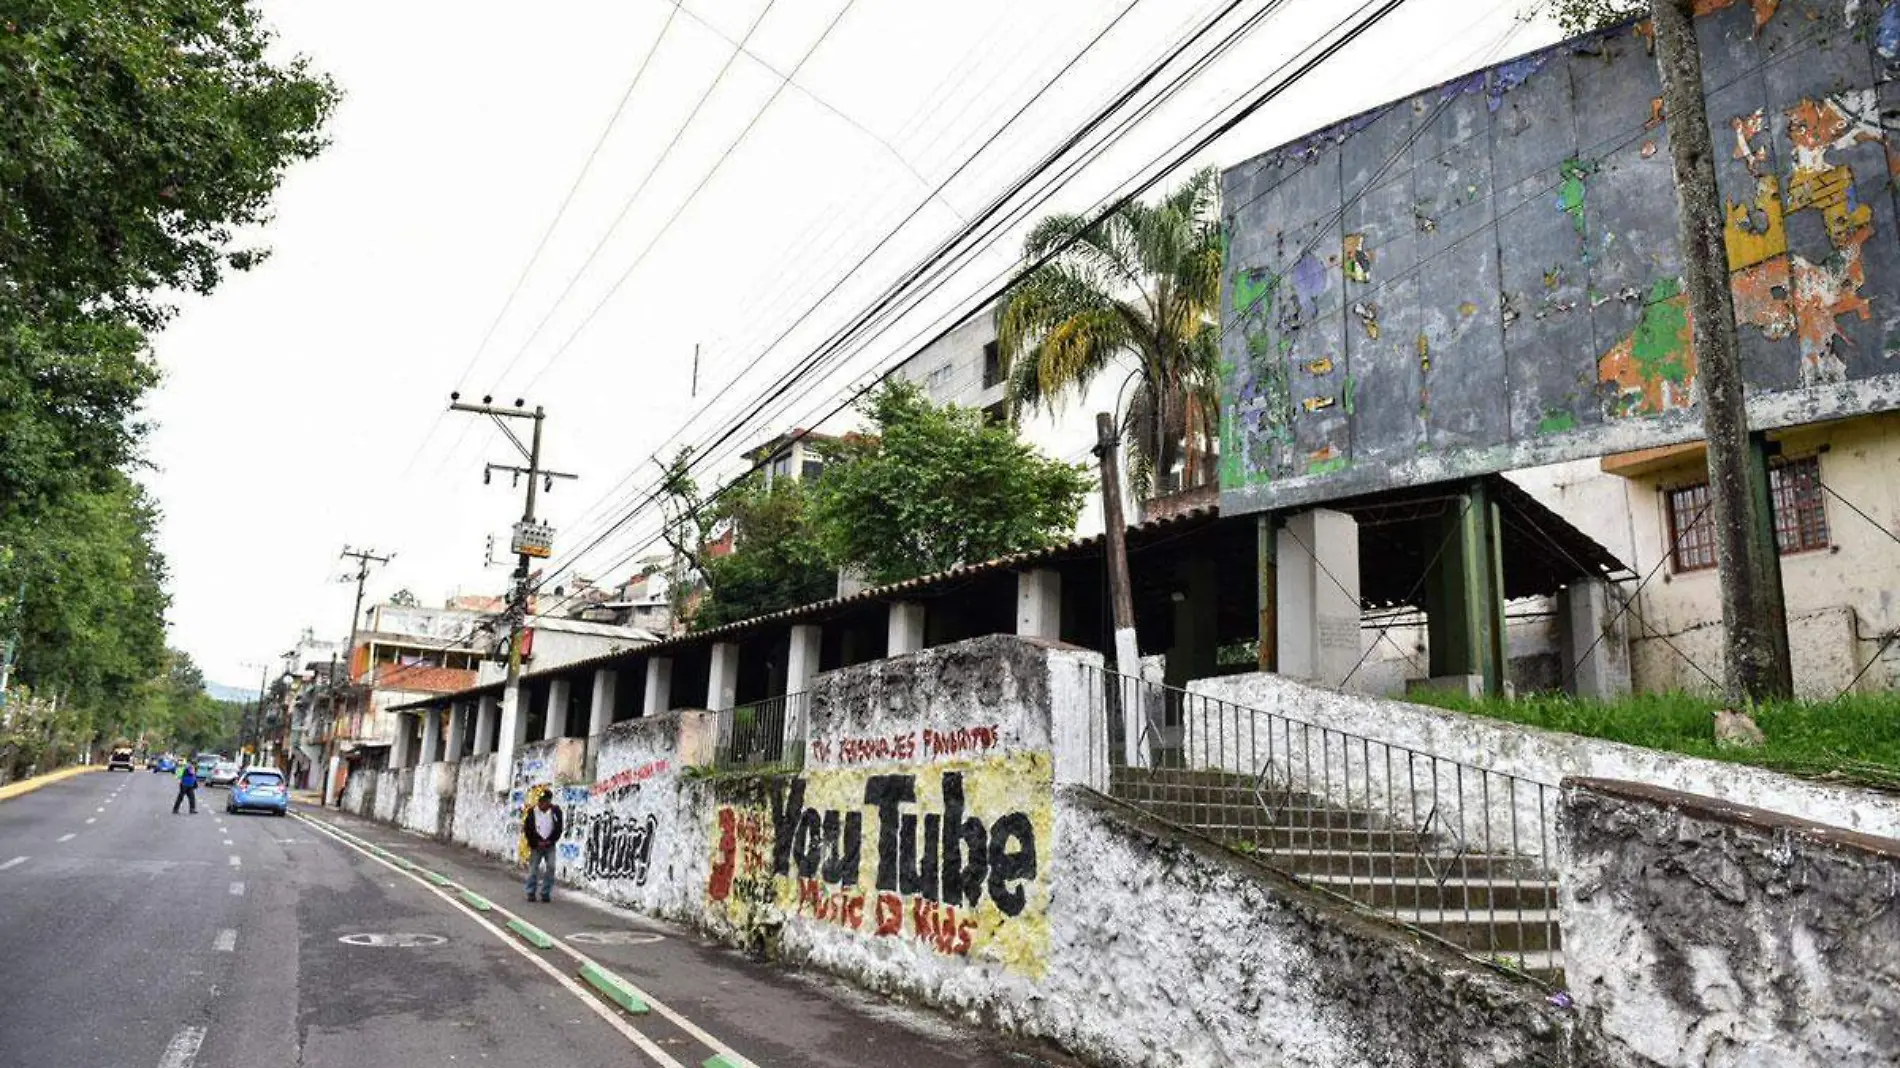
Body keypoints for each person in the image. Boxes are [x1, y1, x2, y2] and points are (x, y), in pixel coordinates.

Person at [521, 788, 564, 902]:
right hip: (536, 845)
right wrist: (535, 842)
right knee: (533, 869)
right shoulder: (532, 812)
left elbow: (559, 828)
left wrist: (551, 840)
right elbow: (528, 829)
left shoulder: (556, 812)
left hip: (549, 844)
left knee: (551, 867)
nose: (542, 804)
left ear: (549, 802)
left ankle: (545, 892)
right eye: (540, 801)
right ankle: (531, 891)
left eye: (545, 801)